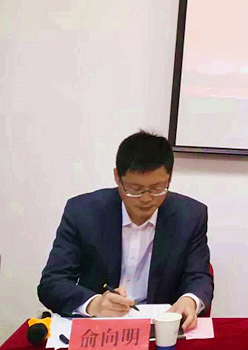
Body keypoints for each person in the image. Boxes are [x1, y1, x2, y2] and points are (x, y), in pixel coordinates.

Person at [38, 131, 213, 330]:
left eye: (157, 188)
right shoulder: (83, 213)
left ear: (170, 178)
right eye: (135, 189)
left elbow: (199, 277)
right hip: (99, 327)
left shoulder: (190, 216)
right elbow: (52, 283)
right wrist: (94, 304)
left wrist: (190, 300)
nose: (146, 198)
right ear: (117, 177)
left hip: (160, 327)